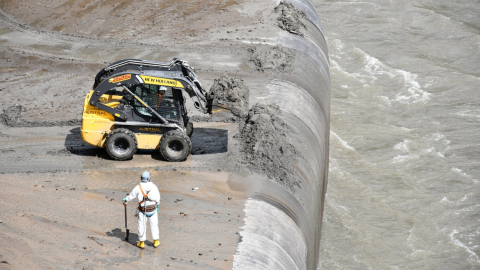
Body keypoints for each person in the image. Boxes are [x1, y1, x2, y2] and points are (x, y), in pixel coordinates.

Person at [123, 171, 161, 249]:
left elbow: (132, 195)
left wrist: (126, 199)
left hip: (143, 210)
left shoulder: (138, 187)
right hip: (152, 210)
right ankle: (156, 242)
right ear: (149, 178)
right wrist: (157, 207)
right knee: (154, 225)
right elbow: (158, 198)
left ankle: (142, 243)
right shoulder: (154, 186)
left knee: (142, 226)